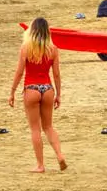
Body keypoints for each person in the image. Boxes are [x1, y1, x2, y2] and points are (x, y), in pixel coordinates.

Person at [6, 17, 67, 173]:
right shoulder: (53, 49)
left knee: (35, 129)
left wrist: (12, 91)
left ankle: (40, 165)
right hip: (47, 88)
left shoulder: (26, 48)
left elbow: (19, 72)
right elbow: (57, 75)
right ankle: (60, 155)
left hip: (31, 88)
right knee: (49, 127)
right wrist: (58, 94)